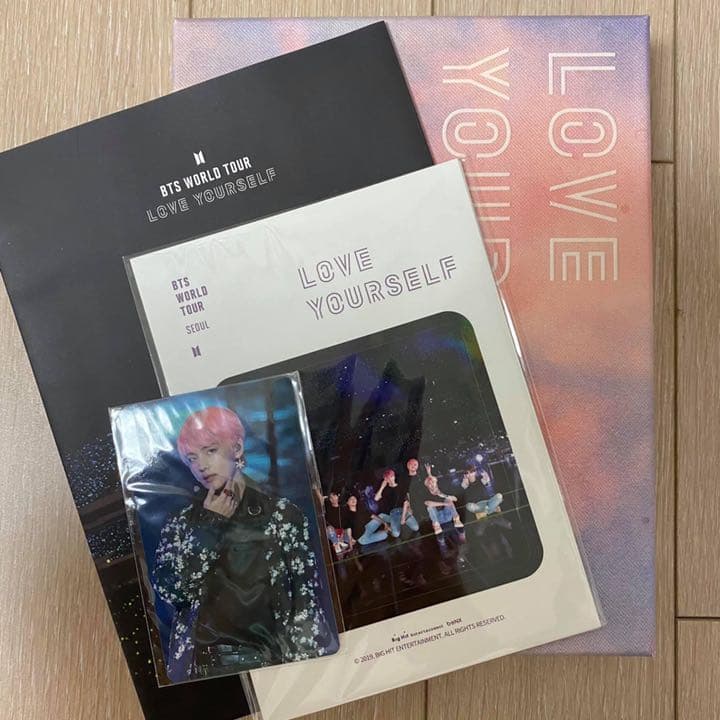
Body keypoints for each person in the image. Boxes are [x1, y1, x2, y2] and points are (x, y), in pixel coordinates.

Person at [152, 406, 333, 681]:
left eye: (210, 450)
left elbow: (305, 601)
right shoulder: (180, 524)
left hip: (273, 662)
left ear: (237, 448)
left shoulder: (282, 515)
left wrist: (309, 672)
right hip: (203, 669)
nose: (201, 465)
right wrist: (209, 528)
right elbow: (170, 591)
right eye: (191, 458)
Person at [419, 463, 465, 536]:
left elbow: (455, 499)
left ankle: (457, 520)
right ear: (427, 486)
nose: (432, 484)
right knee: (430, 507)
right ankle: (437, 526)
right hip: (437, 519)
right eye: (429, 484)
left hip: (448, 515)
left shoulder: (443, 489)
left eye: (433, 482)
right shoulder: (425, 493)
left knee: (448, 499)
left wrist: (443, 495)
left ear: (436, 483)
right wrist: (444, 504)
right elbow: (428, 503)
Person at [374, 468, 419, 538]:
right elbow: (376, 498)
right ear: (385, 480)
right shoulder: (385, 489)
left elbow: (406, 502)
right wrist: (382, 487)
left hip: (403, 510)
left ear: (394, 476)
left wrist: (403, 517)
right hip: (393, 513)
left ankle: (394, 522)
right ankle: (390, 525)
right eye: (388, 478)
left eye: (391, 477)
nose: (390, 479)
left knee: (416, 528)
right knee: (396, 534)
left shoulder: (401, 486)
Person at [319, 487, 349, 555]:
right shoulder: (328, 507)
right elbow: (321, 501)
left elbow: (346, 523)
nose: (334, 499)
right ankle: (337, 544)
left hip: (341, 533)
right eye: (331, 498)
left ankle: (338, 546)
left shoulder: (343, 509)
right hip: (331, 532)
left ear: (337, 497)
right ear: (330, 500)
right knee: (330, 529)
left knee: (347, 532)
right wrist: (318, 492)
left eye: (335, 496)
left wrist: (342, 534)